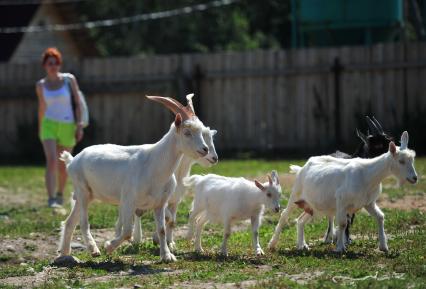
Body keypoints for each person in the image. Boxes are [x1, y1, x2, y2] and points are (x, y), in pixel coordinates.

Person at [36, 47, 84, 207]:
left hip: (68, 125)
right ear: (45, 65)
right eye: (50, 63)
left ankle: (60, 194)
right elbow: (42, 107)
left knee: (64, 165)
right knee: (51, 161)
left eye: (56, 63)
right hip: (48, 125)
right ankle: (51, 199)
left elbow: (78, 103)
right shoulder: (41, 85)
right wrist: (40, 126)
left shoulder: (69, 80)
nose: (53, 66)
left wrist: (79, 125)